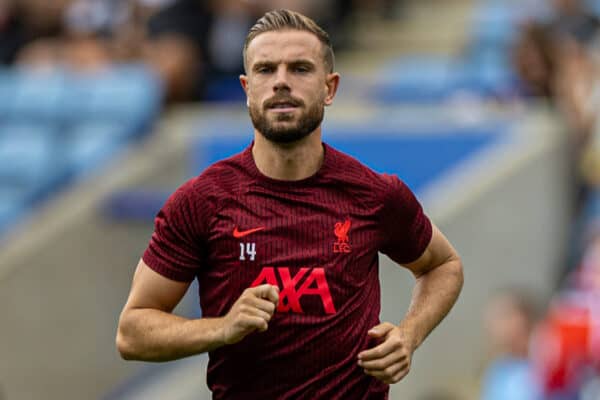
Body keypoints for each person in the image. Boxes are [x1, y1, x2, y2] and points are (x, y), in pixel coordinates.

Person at [116, 9, 464, 399]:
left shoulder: (374, 193)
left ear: (329, 88)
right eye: (266, 70)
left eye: (299, 68)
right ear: (247, 88)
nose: (281, 82)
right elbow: (132, 331)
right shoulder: (202, 201)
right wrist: (223, 327)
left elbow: (443, 265)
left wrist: (409, 335)